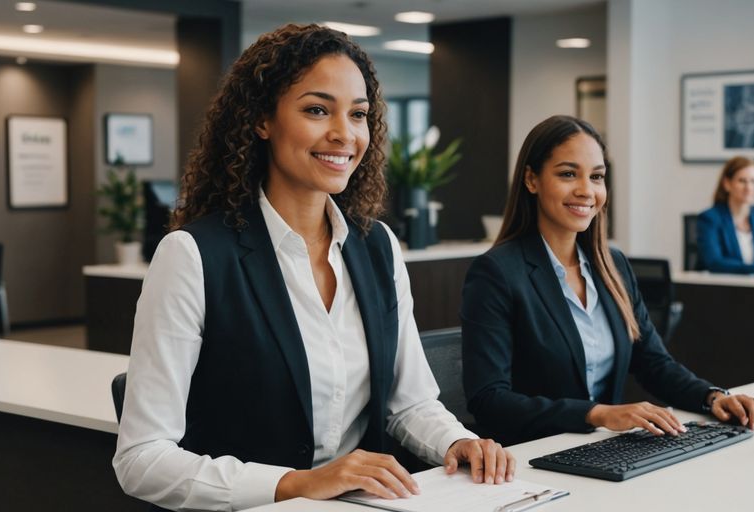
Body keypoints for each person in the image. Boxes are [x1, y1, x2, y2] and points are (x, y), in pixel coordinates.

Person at [113, 24, 514, 512]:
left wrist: (456, 441)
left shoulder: (377, 247)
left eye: (359, 114)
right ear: (263, 120)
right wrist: (294, 484)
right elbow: (141, 459)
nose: (344, 134)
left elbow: (409, 403)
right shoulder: (193, 256)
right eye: (317, 110)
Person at [460, 115, 754, 446]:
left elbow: (653, 363)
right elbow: (488, 400)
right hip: (529, 460)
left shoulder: (613, 266)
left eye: (596, 177)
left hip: (599, 451)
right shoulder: (497, 273)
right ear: (531, 180)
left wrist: (712, 398)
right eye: (568, 174)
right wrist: (596, 413)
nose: (586, 190)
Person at [697, 156, 754, 275]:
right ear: (727, 184)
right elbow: (715, 262)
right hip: (722, 289)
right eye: (742, 181)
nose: (749, 187)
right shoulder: (710, 218)